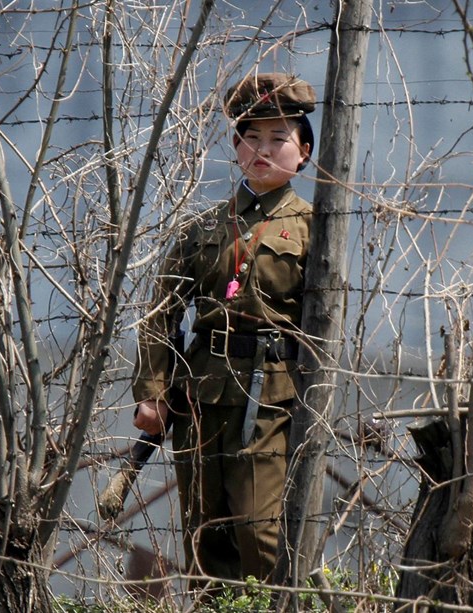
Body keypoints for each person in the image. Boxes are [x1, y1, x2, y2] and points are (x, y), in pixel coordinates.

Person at [131, 72, 315, 587]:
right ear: (236, 148)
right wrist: (153, 393)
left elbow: (326, 324)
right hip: (201, 395)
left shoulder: (315, 227)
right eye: (251, 138)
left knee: (260, 533)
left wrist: (315, 399)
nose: (263, 149)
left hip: (272, 399)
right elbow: (161, 311)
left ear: (303, 153)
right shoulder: (205, 227)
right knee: (204, 534)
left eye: (278, 138)